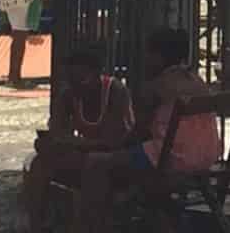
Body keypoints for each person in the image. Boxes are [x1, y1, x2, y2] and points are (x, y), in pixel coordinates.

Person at [68, 28, 221, 233]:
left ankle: (90, 227)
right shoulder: (197, 82)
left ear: (159, 56)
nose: (145, 59)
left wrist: (112, 149)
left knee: (96, 163)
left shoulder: (157, 87)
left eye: (149, 54)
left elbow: (137, 133)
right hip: (206, 157)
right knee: (125, 167)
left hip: (170, 159)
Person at [21, 45, 132, 233]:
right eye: (72, 80)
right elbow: (57, 132)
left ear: (97, 74)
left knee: (93, 165)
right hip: (86, 156)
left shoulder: (115, 92)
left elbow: (114, 141)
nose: (77, 85)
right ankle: (36, 224)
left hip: (117, 160)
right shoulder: (69, 94)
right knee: (39, 163)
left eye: (82, 79)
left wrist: (72, 143)